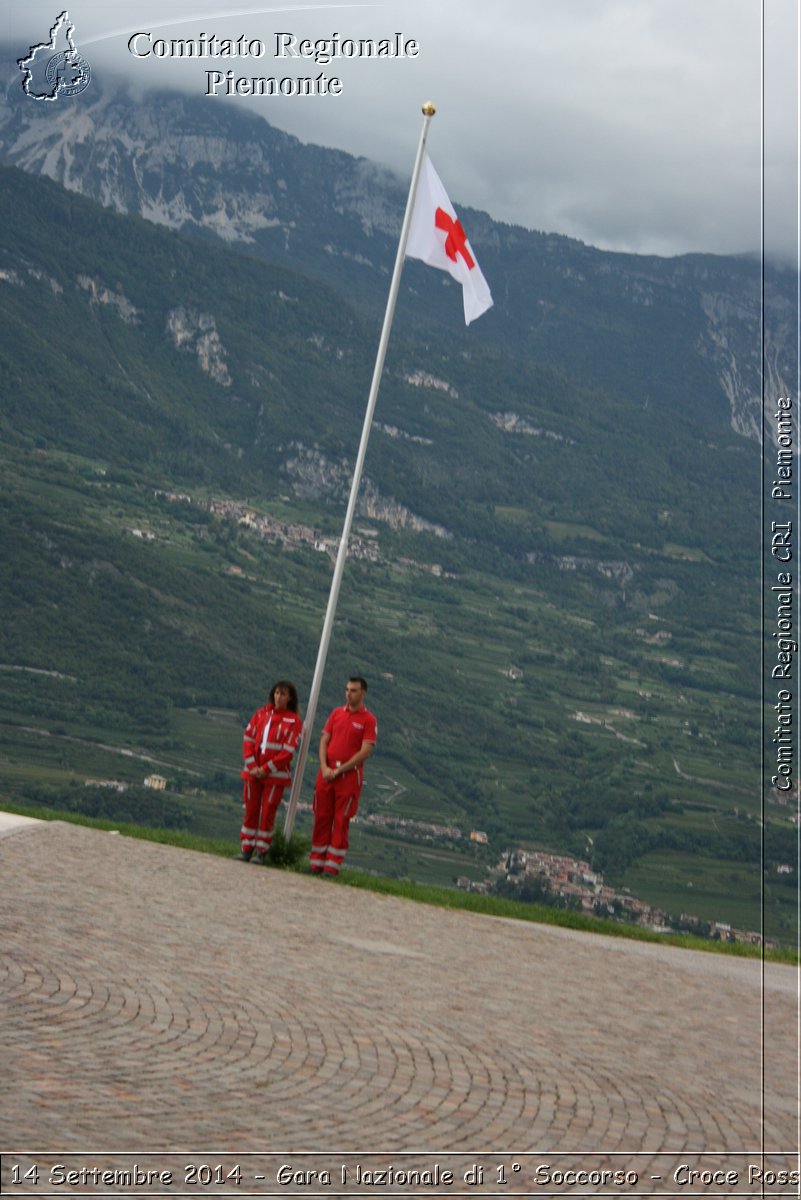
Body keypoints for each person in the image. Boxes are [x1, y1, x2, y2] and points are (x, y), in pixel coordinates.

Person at [310, 676, 377, 877]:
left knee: (340, 820)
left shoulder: (368, 719)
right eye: (347, 689)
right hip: (326, 773)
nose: (349, 693)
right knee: (322, 816)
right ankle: (316, 863)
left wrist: (340, 770)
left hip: (347, 777)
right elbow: (324, 740)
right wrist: (323, 766)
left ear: (363, 693)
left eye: (354, 690)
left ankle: (332, 865)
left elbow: (365, 751)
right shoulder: (336, 713)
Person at [238, 680, 302, 865]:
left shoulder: (293, 721)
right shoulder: (261, 713)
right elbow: (248, 738)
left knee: (267, 813)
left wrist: (266, 769)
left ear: (290, 698)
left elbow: (287, 752)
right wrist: (253, 766)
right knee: (250, 811)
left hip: (275, 776)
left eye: (282, 694)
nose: (278, 697)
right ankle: (246, 848)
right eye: (276, 693)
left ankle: (261, 851)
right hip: (252, 773)